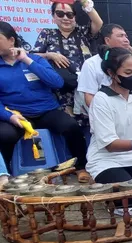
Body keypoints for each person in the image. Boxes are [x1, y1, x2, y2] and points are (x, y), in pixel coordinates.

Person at [0, 22, 89, 181]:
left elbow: (57, 83)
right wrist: (9, 116)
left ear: (11, 40)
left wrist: (27, 61)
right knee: (4, 135)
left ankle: (81, 167)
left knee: (71, 126)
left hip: (46, 111)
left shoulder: (34, 60)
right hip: (17, 115)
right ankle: (6, 175)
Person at [32, 0, 103, 116]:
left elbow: (98, 23)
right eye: (60, 14)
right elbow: (33, 56)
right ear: (53, 16)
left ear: (75, 17)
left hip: (86, 86)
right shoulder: (47, 33)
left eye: (70, 15)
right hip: (61, 88)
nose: (65, 18)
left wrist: (84, 2)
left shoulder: (82, 32)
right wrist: (50, 55)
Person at [77, 24, 132, 120]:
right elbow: (89, 95)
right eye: (120, 36)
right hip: (107, 114)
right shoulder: (91, 64)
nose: (126, 40)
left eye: (126, 36)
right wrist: (102, 115)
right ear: (107, 40)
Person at [86, 47, 132, 184]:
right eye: (128, 72)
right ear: (111, 73)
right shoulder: (102, 99)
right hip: (106, 162)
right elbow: (110, 144)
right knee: (129, 193)